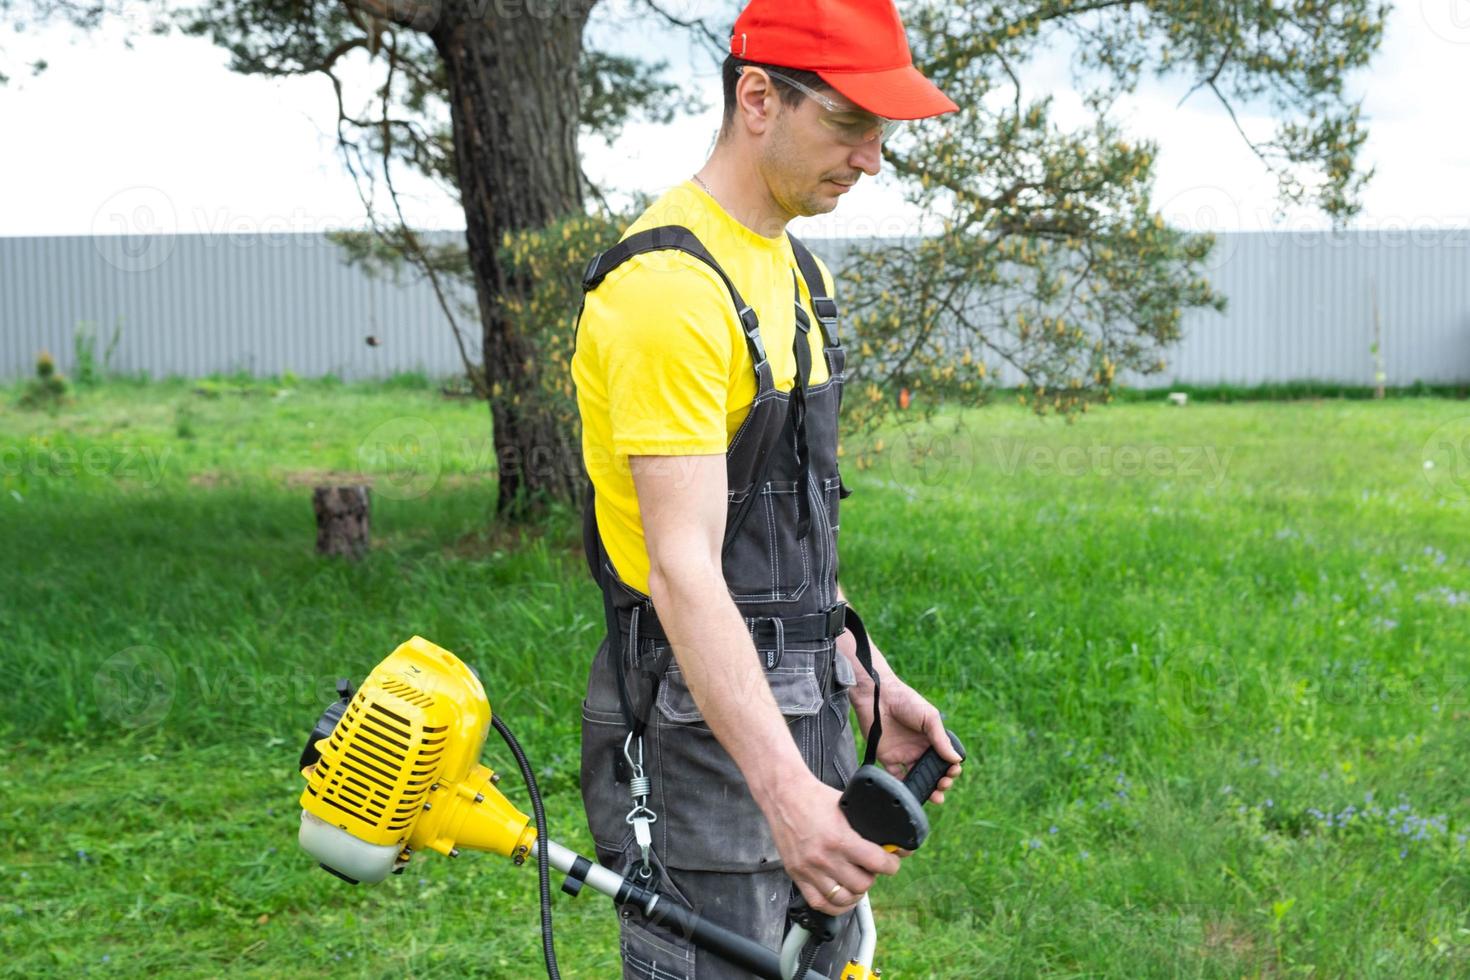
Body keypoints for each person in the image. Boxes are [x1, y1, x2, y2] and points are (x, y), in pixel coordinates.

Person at [571, 1, 963, 975]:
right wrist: (787, 792)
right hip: (697, 740)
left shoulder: (795, 270)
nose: (872, 157)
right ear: (757, 98)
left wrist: (859, 674)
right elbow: (685, 567)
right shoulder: (670, 290)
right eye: (849, 121)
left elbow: (775, 541)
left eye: (884, 129)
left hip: (807, 710)